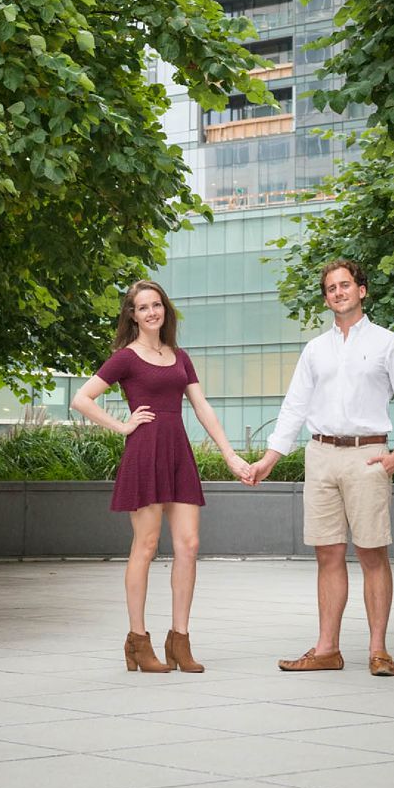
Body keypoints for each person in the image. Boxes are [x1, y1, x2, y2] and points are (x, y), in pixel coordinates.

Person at [241, 257, 394, 677]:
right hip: (320, 455)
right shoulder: (315, 350)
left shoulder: (387, 343)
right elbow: (294, 407)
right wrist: (270, 459)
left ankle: (378, 650)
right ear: (326, 298)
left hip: (368, 455)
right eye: (331, 288)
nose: (338, 292)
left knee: (372, 553)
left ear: (362, 290)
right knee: (328, 554)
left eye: (345, 285)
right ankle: (327, 649)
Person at [72, 279, 252, 674]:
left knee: (189, 544)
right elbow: (81, 399)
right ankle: (138, 641)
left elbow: (202, 407)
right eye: (143, 307)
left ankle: (180, 641)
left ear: (165, 310)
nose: (152, 312)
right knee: (147, 545)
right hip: (144, 452)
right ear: (132, 315)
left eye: (157, 305)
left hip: (177, 453)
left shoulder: (180, 356)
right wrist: (121, 427)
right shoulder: (125, 358)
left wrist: (229, 454)